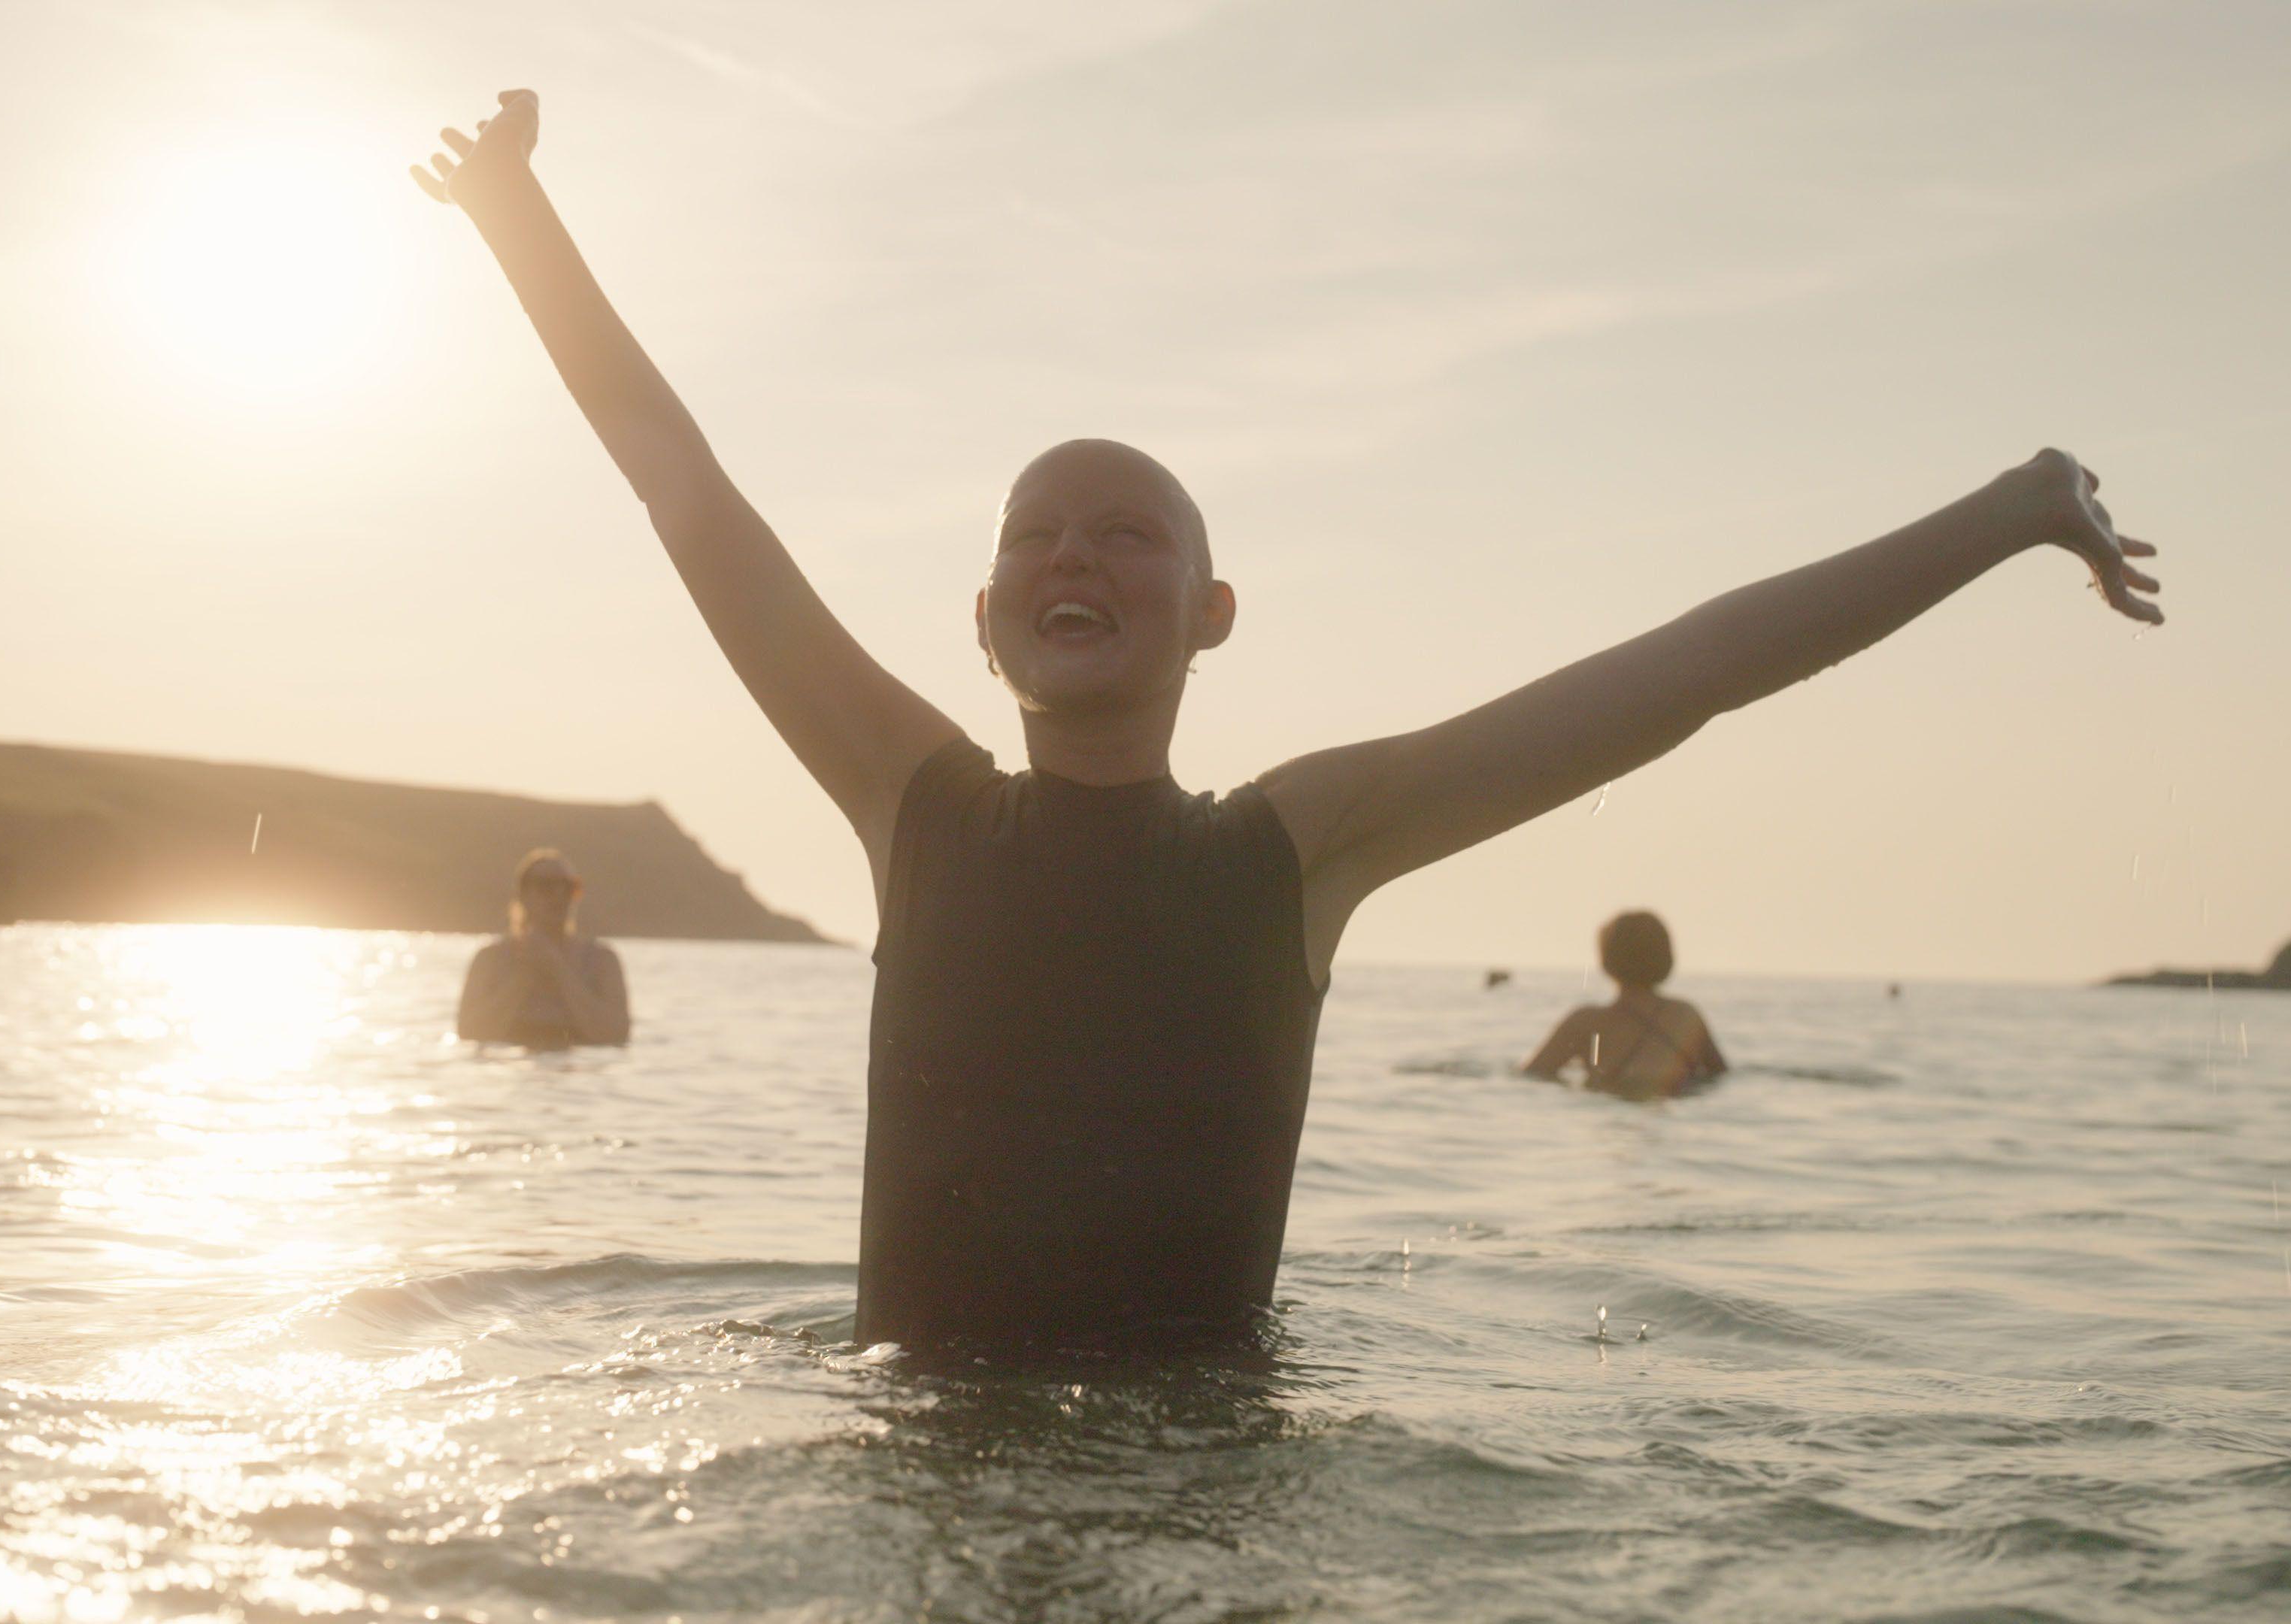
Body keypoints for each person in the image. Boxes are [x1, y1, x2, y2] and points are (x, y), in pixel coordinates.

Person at [412, 92, 2162, 1350]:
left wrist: (2000, 514)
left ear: (1210, 613)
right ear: (985, 618)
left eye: (1125, 531)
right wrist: (516, 224)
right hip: (925, 1464)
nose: (1069, 553)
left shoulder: (1294, 842)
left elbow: (1682, 670)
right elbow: (684, 491)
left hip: (1207, 1479)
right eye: (1031, 531)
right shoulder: (908, 794)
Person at [1523, 912, 1726, 1100]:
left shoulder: (1586, 1021)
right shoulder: (1686, 1015)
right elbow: (1720, 1075)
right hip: (1669, 1110)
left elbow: (1534, 1075)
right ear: (1667, 958)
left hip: (1606, 1105)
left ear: (1606, 961)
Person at [456, 847, 632, 1048]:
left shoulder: (602, 960)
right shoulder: (490, 958)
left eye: (568, 887)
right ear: (522, 894)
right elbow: (469, 1032)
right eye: (546, 886)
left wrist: (559, 971)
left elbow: (617, 1035)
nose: (558, 895)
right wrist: (525, 975)